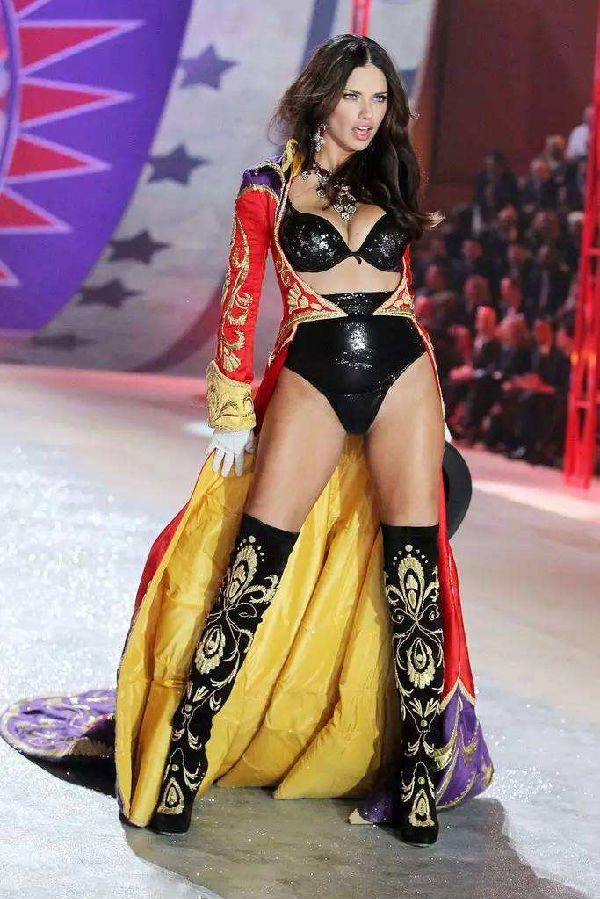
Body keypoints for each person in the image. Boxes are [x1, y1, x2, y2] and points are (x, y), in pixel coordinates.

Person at [0, 35, 493, 848]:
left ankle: (416, 779)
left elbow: (402, 290)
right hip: (312, 369)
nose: (368, 114)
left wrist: (435, 407)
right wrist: (231, 407)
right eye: (353, 96)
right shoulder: (267, 188)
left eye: (380, 98)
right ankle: (183, 758)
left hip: (405, 371)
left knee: (413, 578)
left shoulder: (392, 175)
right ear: (321, 99)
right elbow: (240, 297)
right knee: (250, 571)